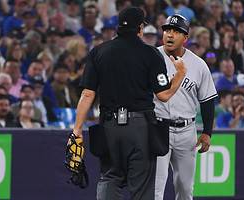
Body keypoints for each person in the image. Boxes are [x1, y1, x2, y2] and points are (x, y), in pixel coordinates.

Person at [70, 7, 186, 200]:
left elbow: (88, 94)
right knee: (141, 186)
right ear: (140, 28)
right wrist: (180, 75)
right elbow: (164, 95)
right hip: (140, 127)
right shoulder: (150, 54)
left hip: (109, 125)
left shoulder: (99, 52)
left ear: (118, 26)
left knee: (109, 178)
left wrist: (77, 129)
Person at [154, 14, 218, 200]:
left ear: (186, 38)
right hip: (158, 127)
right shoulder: (152, 57)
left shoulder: (198, 65)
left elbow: (207, 100)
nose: (170, 35)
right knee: (155, 189)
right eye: (167, 30)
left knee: (185, 188)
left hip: (186, 131)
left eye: (176, 31)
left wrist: (207, 132)